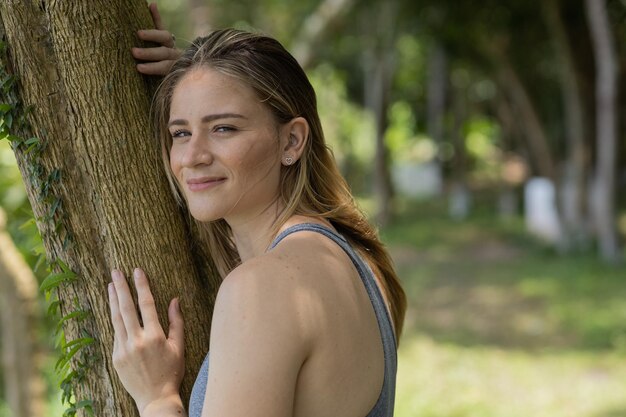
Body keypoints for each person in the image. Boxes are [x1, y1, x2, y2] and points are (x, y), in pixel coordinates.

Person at [107, 4, 406, 417]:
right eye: (181, 132)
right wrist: (199, 76)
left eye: (224, 128)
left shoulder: (262, 289)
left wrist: (157, 399)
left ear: (292, 141)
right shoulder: (356, 261)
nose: (192, 156)